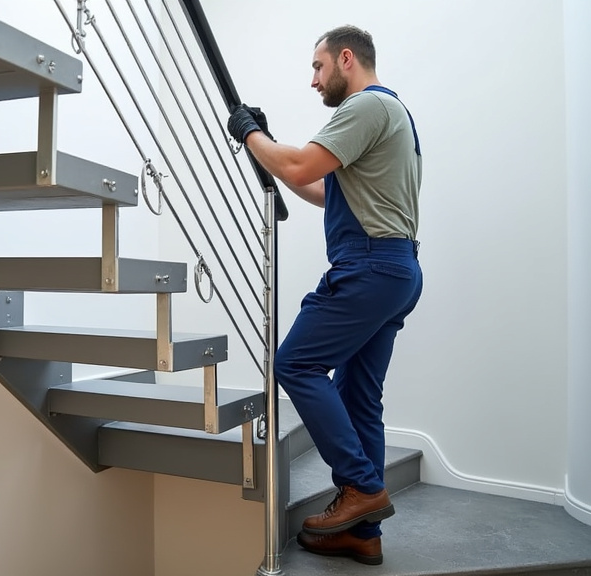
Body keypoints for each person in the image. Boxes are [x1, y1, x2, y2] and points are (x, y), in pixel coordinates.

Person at [227, 25, 423, 566]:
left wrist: (249, 135)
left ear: (345, 59)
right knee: (360, 395)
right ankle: (362, 532)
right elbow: (315, 186)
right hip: (395, 269)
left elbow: (298, 164)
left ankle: (360, 487)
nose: (313, 80)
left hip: (368, 267)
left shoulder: (364, 107)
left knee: (295, 364)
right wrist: (267, 150)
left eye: (318, 68)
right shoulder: (392, 114)